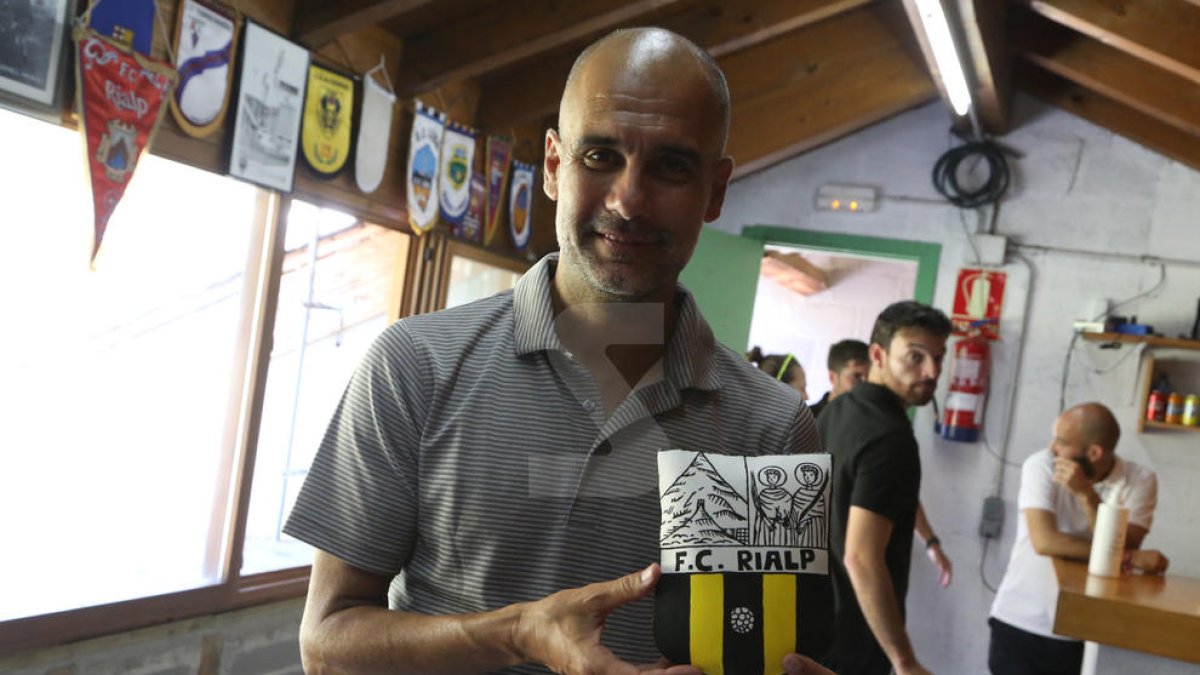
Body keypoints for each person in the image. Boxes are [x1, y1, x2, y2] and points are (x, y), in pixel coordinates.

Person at [283, 28, 832, 675]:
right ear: (552, 165)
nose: (627, 200)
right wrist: (515, 631)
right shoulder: (414, 368)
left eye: (671, 166)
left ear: (715, 190)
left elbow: (758, 649)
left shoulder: (767, 428)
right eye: (600, 155)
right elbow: (327, 645)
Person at [819, 301, 954, 675]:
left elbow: (882, 497)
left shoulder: (838, 409)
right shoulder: (891, 438)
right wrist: (904, 659)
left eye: (939, 358)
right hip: (851, 638)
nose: (931, 371)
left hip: (809, 620)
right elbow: (861, 558)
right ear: (878, 355)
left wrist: (930, 540)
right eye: (915, 356)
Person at [987, 403, 1169, 675]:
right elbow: (1046, 542)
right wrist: (1128, 559)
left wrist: (1086, 495)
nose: (1052, 449)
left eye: (1061, 442)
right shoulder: (1040, 465)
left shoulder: (1140, 479)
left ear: (1094, 453)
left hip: (1084, 631)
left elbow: (1125, 544)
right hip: (1019, 621)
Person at [809, 339, 869, 418]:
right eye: (856, 377)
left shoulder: (875, 421)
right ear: (832, 377)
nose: (865, 385)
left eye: (868, 377)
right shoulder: (806, 420)